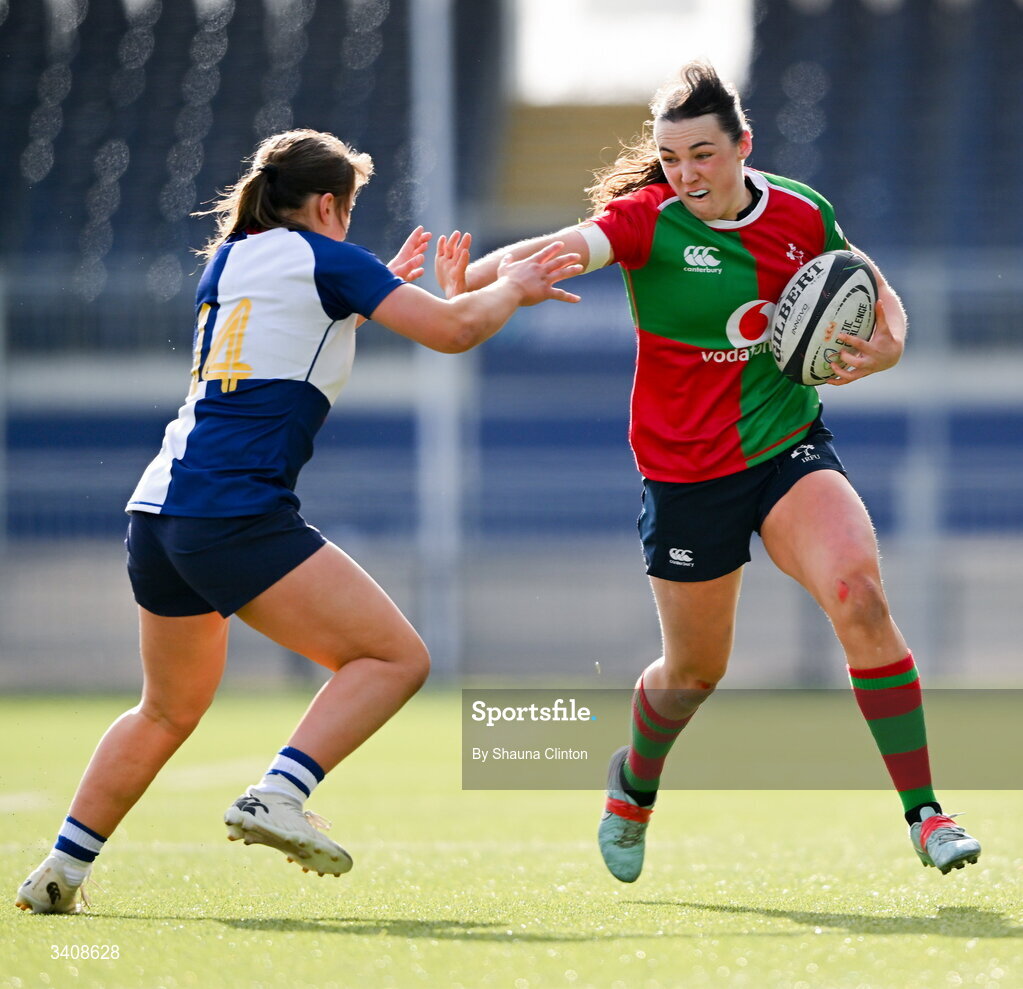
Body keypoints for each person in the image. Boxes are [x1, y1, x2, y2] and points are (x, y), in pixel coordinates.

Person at [15, 128, 582, 914]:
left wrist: (458, 288)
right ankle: (279, 792)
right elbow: (452, 333)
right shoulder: (327, 260)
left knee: (166, 707)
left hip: (159, 512)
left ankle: (59, 872)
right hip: (233, 508)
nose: (349, 225)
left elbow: (347, 314)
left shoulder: (235, 259)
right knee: (392, 659)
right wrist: (511, 290)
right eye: (348, 209)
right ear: (326, 205)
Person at [456, 62, 981, 883]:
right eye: (670, 158)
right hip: (685, 473)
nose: (686, 174)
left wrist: (892, 340)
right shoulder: (645, 221)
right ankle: (633, 786)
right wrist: (477, 280)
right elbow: (548, 250)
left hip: (786, 447)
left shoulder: (801, 211)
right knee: (694, 673)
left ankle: (926, 813)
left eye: (702, 154)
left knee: (861, 596)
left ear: (743, 145)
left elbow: (870, 284)